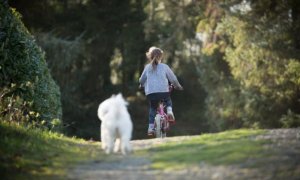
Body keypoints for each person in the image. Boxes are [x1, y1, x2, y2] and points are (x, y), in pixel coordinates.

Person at [139, 46, 183, 136]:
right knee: (168, 100)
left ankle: (151, 128)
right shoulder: (164, 67)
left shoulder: (147, 68)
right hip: (163, 91)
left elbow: (141, 80)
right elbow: (173, 79)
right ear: (161, 57)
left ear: (150, 57)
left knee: (153, 108)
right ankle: (169, 111)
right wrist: (178, 86)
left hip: (151, 93)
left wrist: (141, 85)